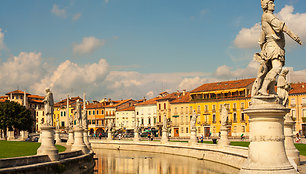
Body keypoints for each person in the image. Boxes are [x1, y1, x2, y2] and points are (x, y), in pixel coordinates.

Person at [255, 0, 302, 96]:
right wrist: (294, 36)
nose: (274, 5)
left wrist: (264, 49)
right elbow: (282, 26)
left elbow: (261, 38)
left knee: (272, 69)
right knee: (277, 68)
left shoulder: (264, 17)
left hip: (274, 46)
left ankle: (271, 90)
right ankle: (263, 89)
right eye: (271, 3)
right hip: (274, 46)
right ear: (266, 5)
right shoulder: (268, 16)